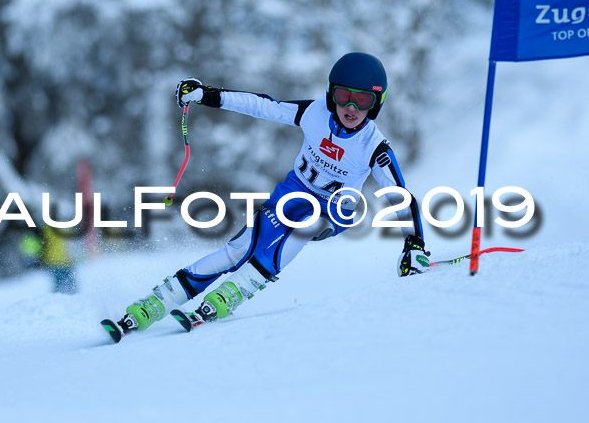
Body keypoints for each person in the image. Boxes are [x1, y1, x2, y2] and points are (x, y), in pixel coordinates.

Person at [110, 52, 429, 336]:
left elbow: (399, 196)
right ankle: (156, 302)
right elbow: (264, 106)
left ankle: (234, 291)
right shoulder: (314, 113)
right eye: (344, 95)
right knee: (239, 248)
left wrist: (414, 243)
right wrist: (208, 96)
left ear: (376, 104)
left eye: (362, 101)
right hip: (294, 190)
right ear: (331, 94)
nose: (350, 107)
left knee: (305, 226)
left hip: (335, 207)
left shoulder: (373, 146)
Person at [20, 225, 78, 294]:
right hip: (62, 260)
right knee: (69, 282)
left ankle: (57, 297)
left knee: (60, 283)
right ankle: (71, 297)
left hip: (54, 261)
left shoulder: (46, 229)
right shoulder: (64, 226)